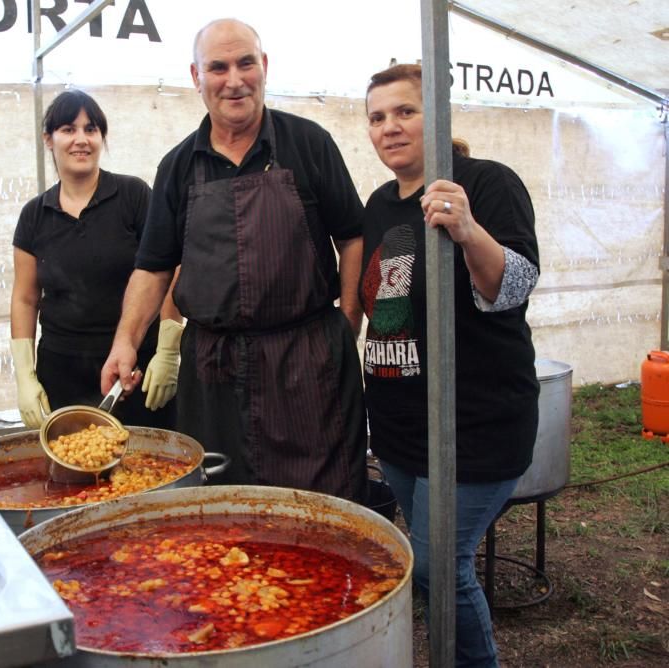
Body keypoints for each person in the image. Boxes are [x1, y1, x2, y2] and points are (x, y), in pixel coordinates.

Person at [101, 18, 367, 502]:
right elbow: (154, 266)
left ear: (264, 66)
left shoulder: (309, 144)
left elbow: (353, 237)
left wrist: (348, 319)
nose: (234, 79)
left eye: (246, 62)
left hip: (306, 365)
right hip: (213, 373)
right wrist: (126, 341)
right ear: (196, 77)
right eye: (217, 67)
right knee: (222, 512)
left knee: (320, 511)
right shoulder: (179, 166)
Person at [361, 64, 540, 667]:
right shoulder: (380, 204)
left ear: (438, 113)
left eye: (405, 111)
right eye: (378, 117)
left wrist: (468, 231)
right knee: (429, 564)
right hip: (399, 429)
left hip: (473, 426)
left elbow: (514, 286)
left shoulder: (486, 183)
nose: (390, 127)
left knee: (440, 566)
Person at [10, 89, 181, 429]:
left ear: (102, 137)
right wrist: (25, 376)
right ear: (49, 139)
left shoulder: (133, 196)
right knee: (74, 470)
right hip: (61, 372)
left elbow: (169, 270)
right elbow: (25, 298)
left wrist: (168, 350)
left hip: (135, 369)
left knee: (146, 467)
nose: (81, 140)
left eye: (91, 129)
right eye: (68, 129)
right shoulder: (34, 215)